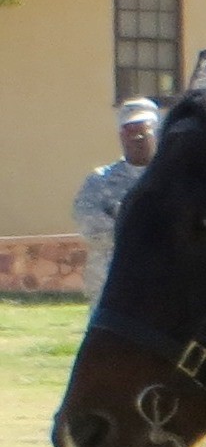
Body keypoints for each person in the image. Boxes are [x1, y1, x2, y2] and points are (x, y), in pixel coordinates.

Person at [73, 97, 162, 302]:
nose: (138, 137)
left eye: (144, 129)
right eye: (130, 131)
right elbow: (90, 226)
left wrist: (121, 218)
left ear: (157, 132)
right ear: (121, 136)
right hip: (110, 292)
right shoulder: (99, 181)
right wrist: (147, 228)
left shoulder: (174, 178)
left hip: (162, 292)